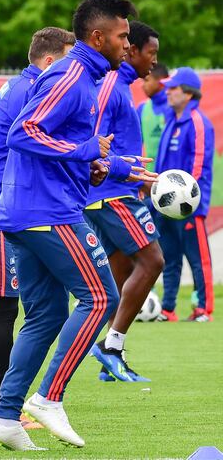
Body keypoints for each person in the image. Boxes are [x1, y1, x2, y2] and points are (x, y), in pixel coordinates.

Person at [0, 0, 157, 451]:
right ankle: (49, 398)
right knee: (101, 296)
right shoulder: (74, 74)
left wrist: (111, 167)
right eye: (123, 35)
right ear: (97, 37)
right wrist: (86, 153)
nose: (127, 43)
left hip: (27, 211)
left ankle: (4, 417)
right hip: (47, 211)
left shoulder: (85, 77)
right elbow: (23, 132)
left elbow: (63, 146)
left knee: (45, 316)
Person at [0, 27, 75, 429]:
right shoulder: (33, 93)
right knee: (4, 307)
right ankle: (8, 412)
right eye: (67, 62)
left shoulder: (15, 85)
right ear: (48, 61)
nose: (71, 73)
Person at [85, 21, 164, 383]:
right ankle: (112, 346)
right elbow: (94, 139)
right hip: (111, 194)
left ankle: (107, 363)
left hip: (117, 192)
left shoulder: (123, 88)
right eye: (151, 52)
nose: (154, 61)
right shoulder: (112, 87)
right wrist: (119, 172)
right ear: (132, 51)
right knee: (152, 261)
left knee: (115, 280)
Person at [154, 67, 215, 322]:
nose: (167, 92)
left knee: (198, 259)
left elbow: (198, 166)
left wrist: (186, 200)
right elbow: (160, 163)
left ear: (188, 94)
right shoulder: (171, 119)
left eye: (173, 88)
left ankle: (203, 308)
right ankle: (168, 309)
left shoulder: (198, 122)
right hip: (165, 206)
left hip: (189, 206)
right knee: (169, 258)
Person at [137, 63, 169, 172]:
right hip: (151, 178)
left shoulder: (175, 108)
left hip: (174, 178)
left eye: (146, 80)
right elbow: (135, 144)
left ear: (161, 81)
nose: (142, 85)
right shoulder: (142, 108)